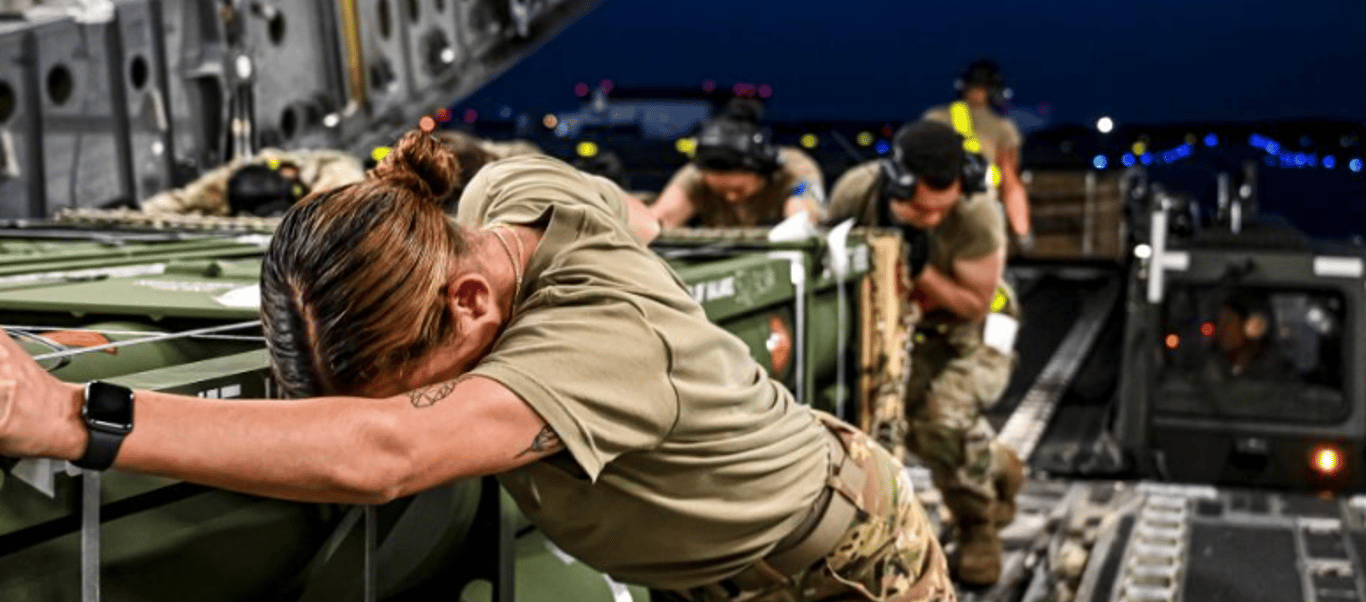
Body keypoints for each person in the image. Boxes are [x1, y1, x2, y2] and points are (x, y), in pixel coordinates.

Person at [0, 129, 953, 602]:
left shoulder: (597, 345)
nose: (425, 402)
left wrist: (68, 417)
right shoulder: (509, 193)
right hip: (714, 561)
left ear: (468, 302)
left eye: (423, 385)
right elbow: (636, 211)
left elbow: (382, 454)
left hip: (841, 566)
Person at [825, 120, 1024, 587]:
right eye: (920, 209)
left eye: (941, 211)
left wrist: (912, 260)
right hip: (897, 327)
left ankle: (978, 527)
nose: (933, 218)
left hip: (973, 332)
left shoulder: (977, 213)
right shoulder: (859, 192)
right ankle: (996, 463)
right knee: (886, 423)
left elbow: (973, 303)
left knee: (940, 422)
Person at [651, 99, 826, 229]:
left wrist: (798, 214)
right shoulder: (696, 176)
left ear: (763, 174)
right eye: (720, 191)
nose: (730, 198)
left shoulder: (793, 169)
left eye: (738, 189)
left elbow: (803, 203)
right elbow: (663, 217)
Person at [922, 60, 1031, 243]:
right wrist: (1022, 230)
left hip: (937, 212)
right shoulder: (1002, 127)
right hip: (982, 211)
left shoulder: (935, 118)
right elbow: (1009, 180)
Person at [141, 148, 365, 217]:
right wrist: (142, 212)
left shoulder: (338, 171)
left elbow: (342, 188)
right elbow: (184, 200)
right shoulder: (256, 168)